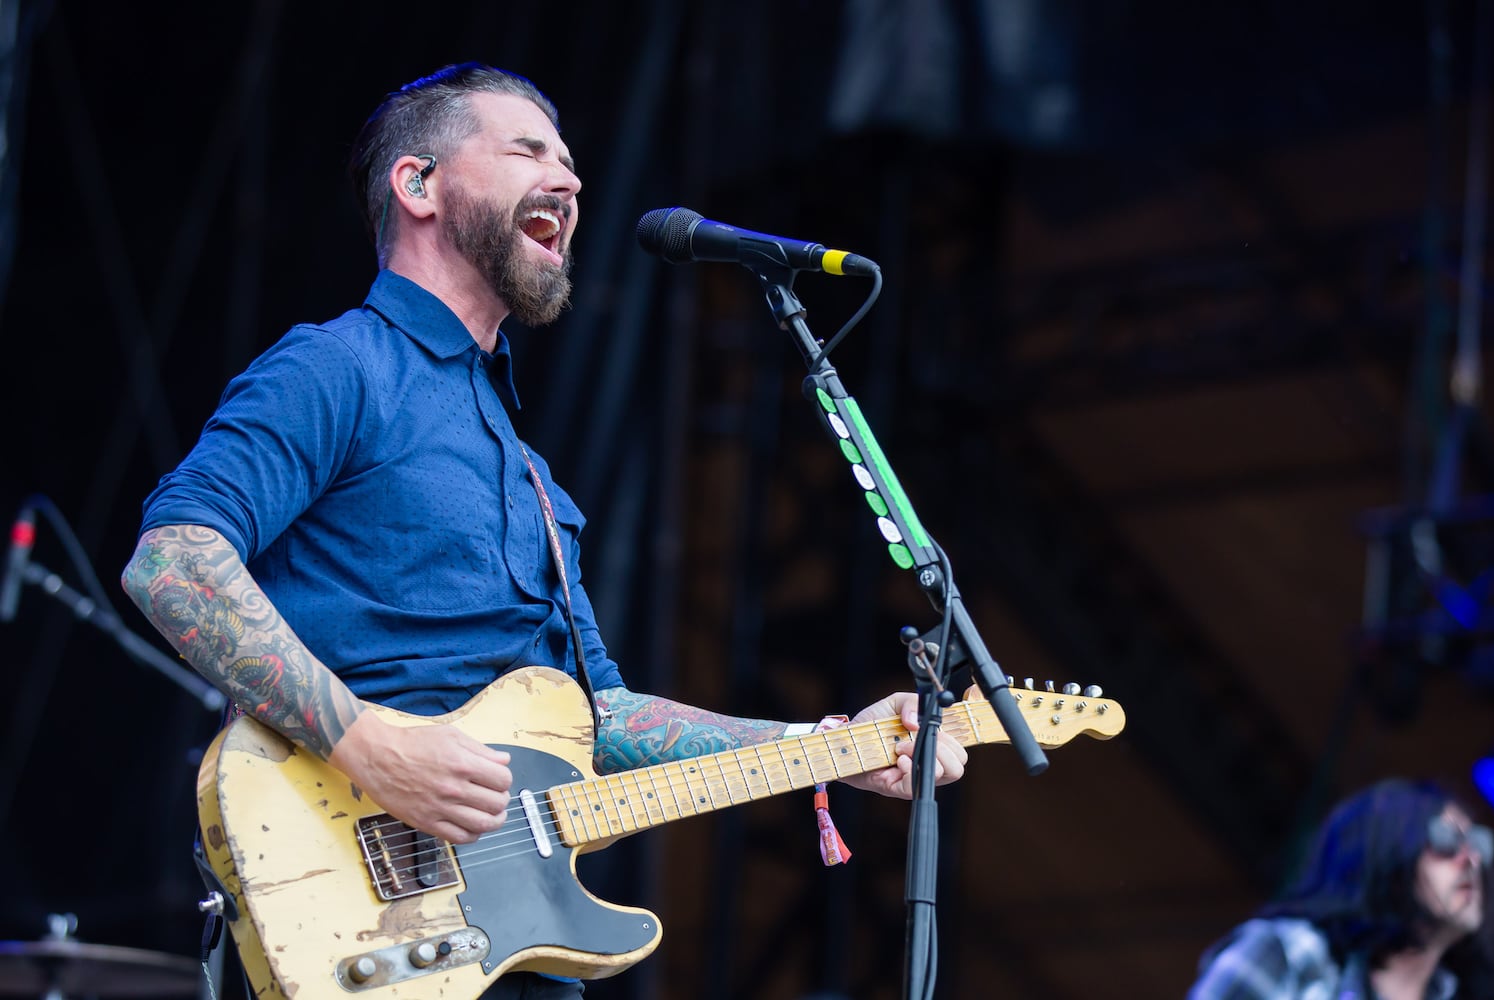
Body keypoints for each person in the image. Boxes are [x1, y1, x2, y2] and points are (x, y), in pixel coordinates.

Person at [118, 62, 968, 999]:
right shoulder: (338, 367)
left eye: (569, 160)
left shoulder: (531, 474)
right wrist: (366, 743)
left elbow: (603, 719)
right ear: (418, 185)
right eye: (527, 150)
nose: (566, 179)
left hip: (508, 941)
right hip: (355, 905)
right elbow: (173, 560)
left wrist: (829, 744)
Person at [1187, 778, 1494, 1000]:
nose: (1471, 859)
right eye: (1446, 840)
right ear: (1386, 851)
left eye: (1478, 843)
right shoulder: (1290, 955)